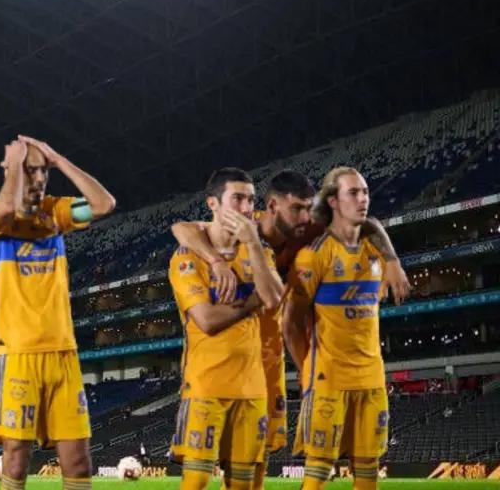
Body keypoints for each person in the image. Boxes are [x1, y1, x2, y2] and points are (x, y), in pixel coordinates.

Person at [168, 169, 410, 490]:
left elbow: (369, 223)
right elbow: (182, 228)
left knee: (257, 459)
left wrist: (392, 261)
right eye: (296, 208)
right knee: (206, 473)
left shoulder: (308, 230)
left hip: (267, 361)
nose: (304, 216)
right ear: (271, 206)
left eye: (308, 208)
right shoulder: (246, 223)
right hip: (232, 355)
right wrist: (216, 260)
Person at [0, 135, 116, 490]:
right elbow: (4, 215)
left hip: (63, 354)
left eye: (42, 172)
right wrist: (15, 169)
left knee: (79, 462)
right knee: (16, 458)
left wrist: (59, 158)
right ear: (9, 171)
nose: (38, 179)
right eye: (29, 171)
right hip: (18, 353)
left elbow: (103, 204)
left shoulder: (56, 211)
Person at [167, 168, 284, 490]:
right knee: (197, 482)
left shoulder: (260, 252)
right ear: (213, 204)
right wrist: (249, 303)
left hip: (253, 389)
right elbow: (207, 320)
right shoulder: (188, 257)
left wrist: (254, 245)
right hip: (206, 386)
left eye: (250, 200)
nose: (246, 208)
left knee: (245, 486)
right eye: (238, 199)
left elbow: (273, 299)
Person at [284, 167, 395, 490]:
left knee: (368, 471)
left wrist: (394, 261)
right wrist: (307, 369)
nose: (363, 199)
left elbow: (374, 226)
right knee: (318, 472)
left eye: (365, 192)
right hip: (328, 380)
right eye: (353, 193)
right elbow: (290, 322)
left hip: (372, 379)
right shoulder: (314, 256)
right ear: (333, 200)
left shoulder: (375, 250)